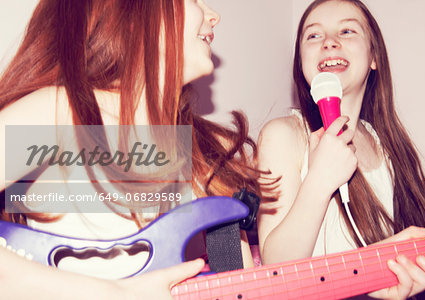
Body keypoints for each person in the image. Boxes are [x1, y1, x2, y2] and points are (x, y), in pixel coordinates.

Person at [0, 0, 260, 299]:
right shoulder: (62, 113)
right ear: (135, 11)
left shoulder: (198, 148)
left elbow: (237, 280)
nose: (214, 16)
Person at [256, 0, 425, 298]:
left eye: (347, 31)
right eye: (313, 35)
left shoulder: (388, 147)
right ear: (301, 61)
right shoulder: (283, 135)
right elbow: (278, 273)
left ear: (374, 57)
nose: (330, 42)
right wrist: (319, 181)